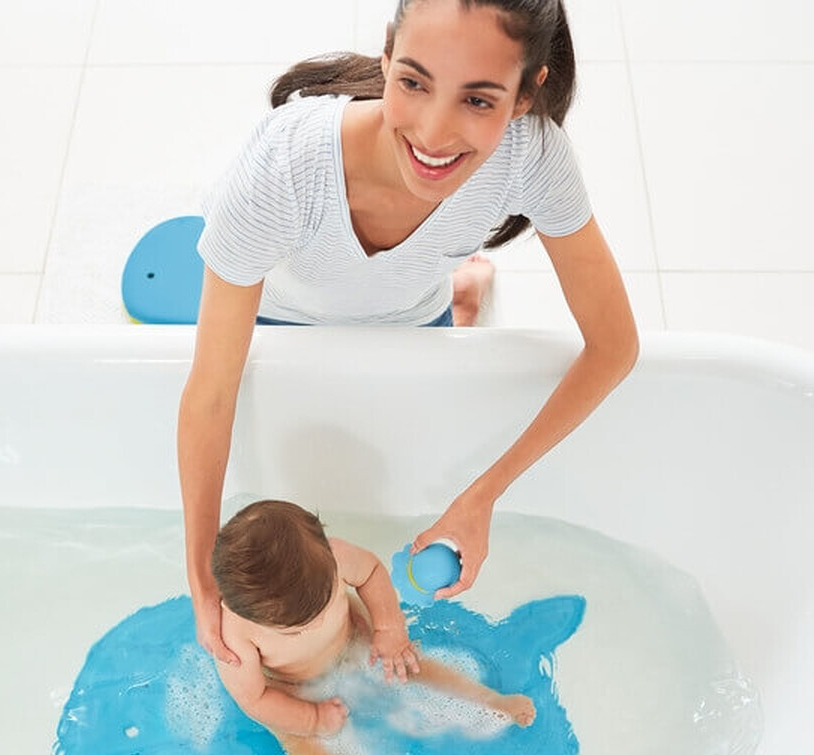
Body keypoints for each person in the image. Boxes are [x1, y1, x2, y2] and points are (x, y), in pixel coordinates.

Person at [179, 0, 639, 664]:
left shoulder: (532, 156)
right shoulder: (282, 168)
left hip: (409, 317)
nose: (433, 133)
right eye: (414, 82)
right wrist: (200, 576)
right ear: (387, 54)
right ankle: (464, 285)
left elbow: (615, 345)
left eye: (478, 101)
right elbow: (211, 392)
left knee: (419, 296)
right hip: (277, 316)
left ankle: (459, 287)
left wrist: (482, 497)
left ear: (525, 93)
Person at [211, 499, 536, 755]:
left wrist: (388, 628)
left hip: (355, 636)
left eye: (323, 606)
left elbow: (370, 573)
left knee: (411, 662)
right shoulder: (234, 637)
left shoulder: (330, 557)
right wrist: (312, 718)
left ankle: (490, 701)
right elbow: (254, 700)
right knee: (301, 743)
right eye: (298, 629)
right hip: (290, 688)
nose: (317, 623)